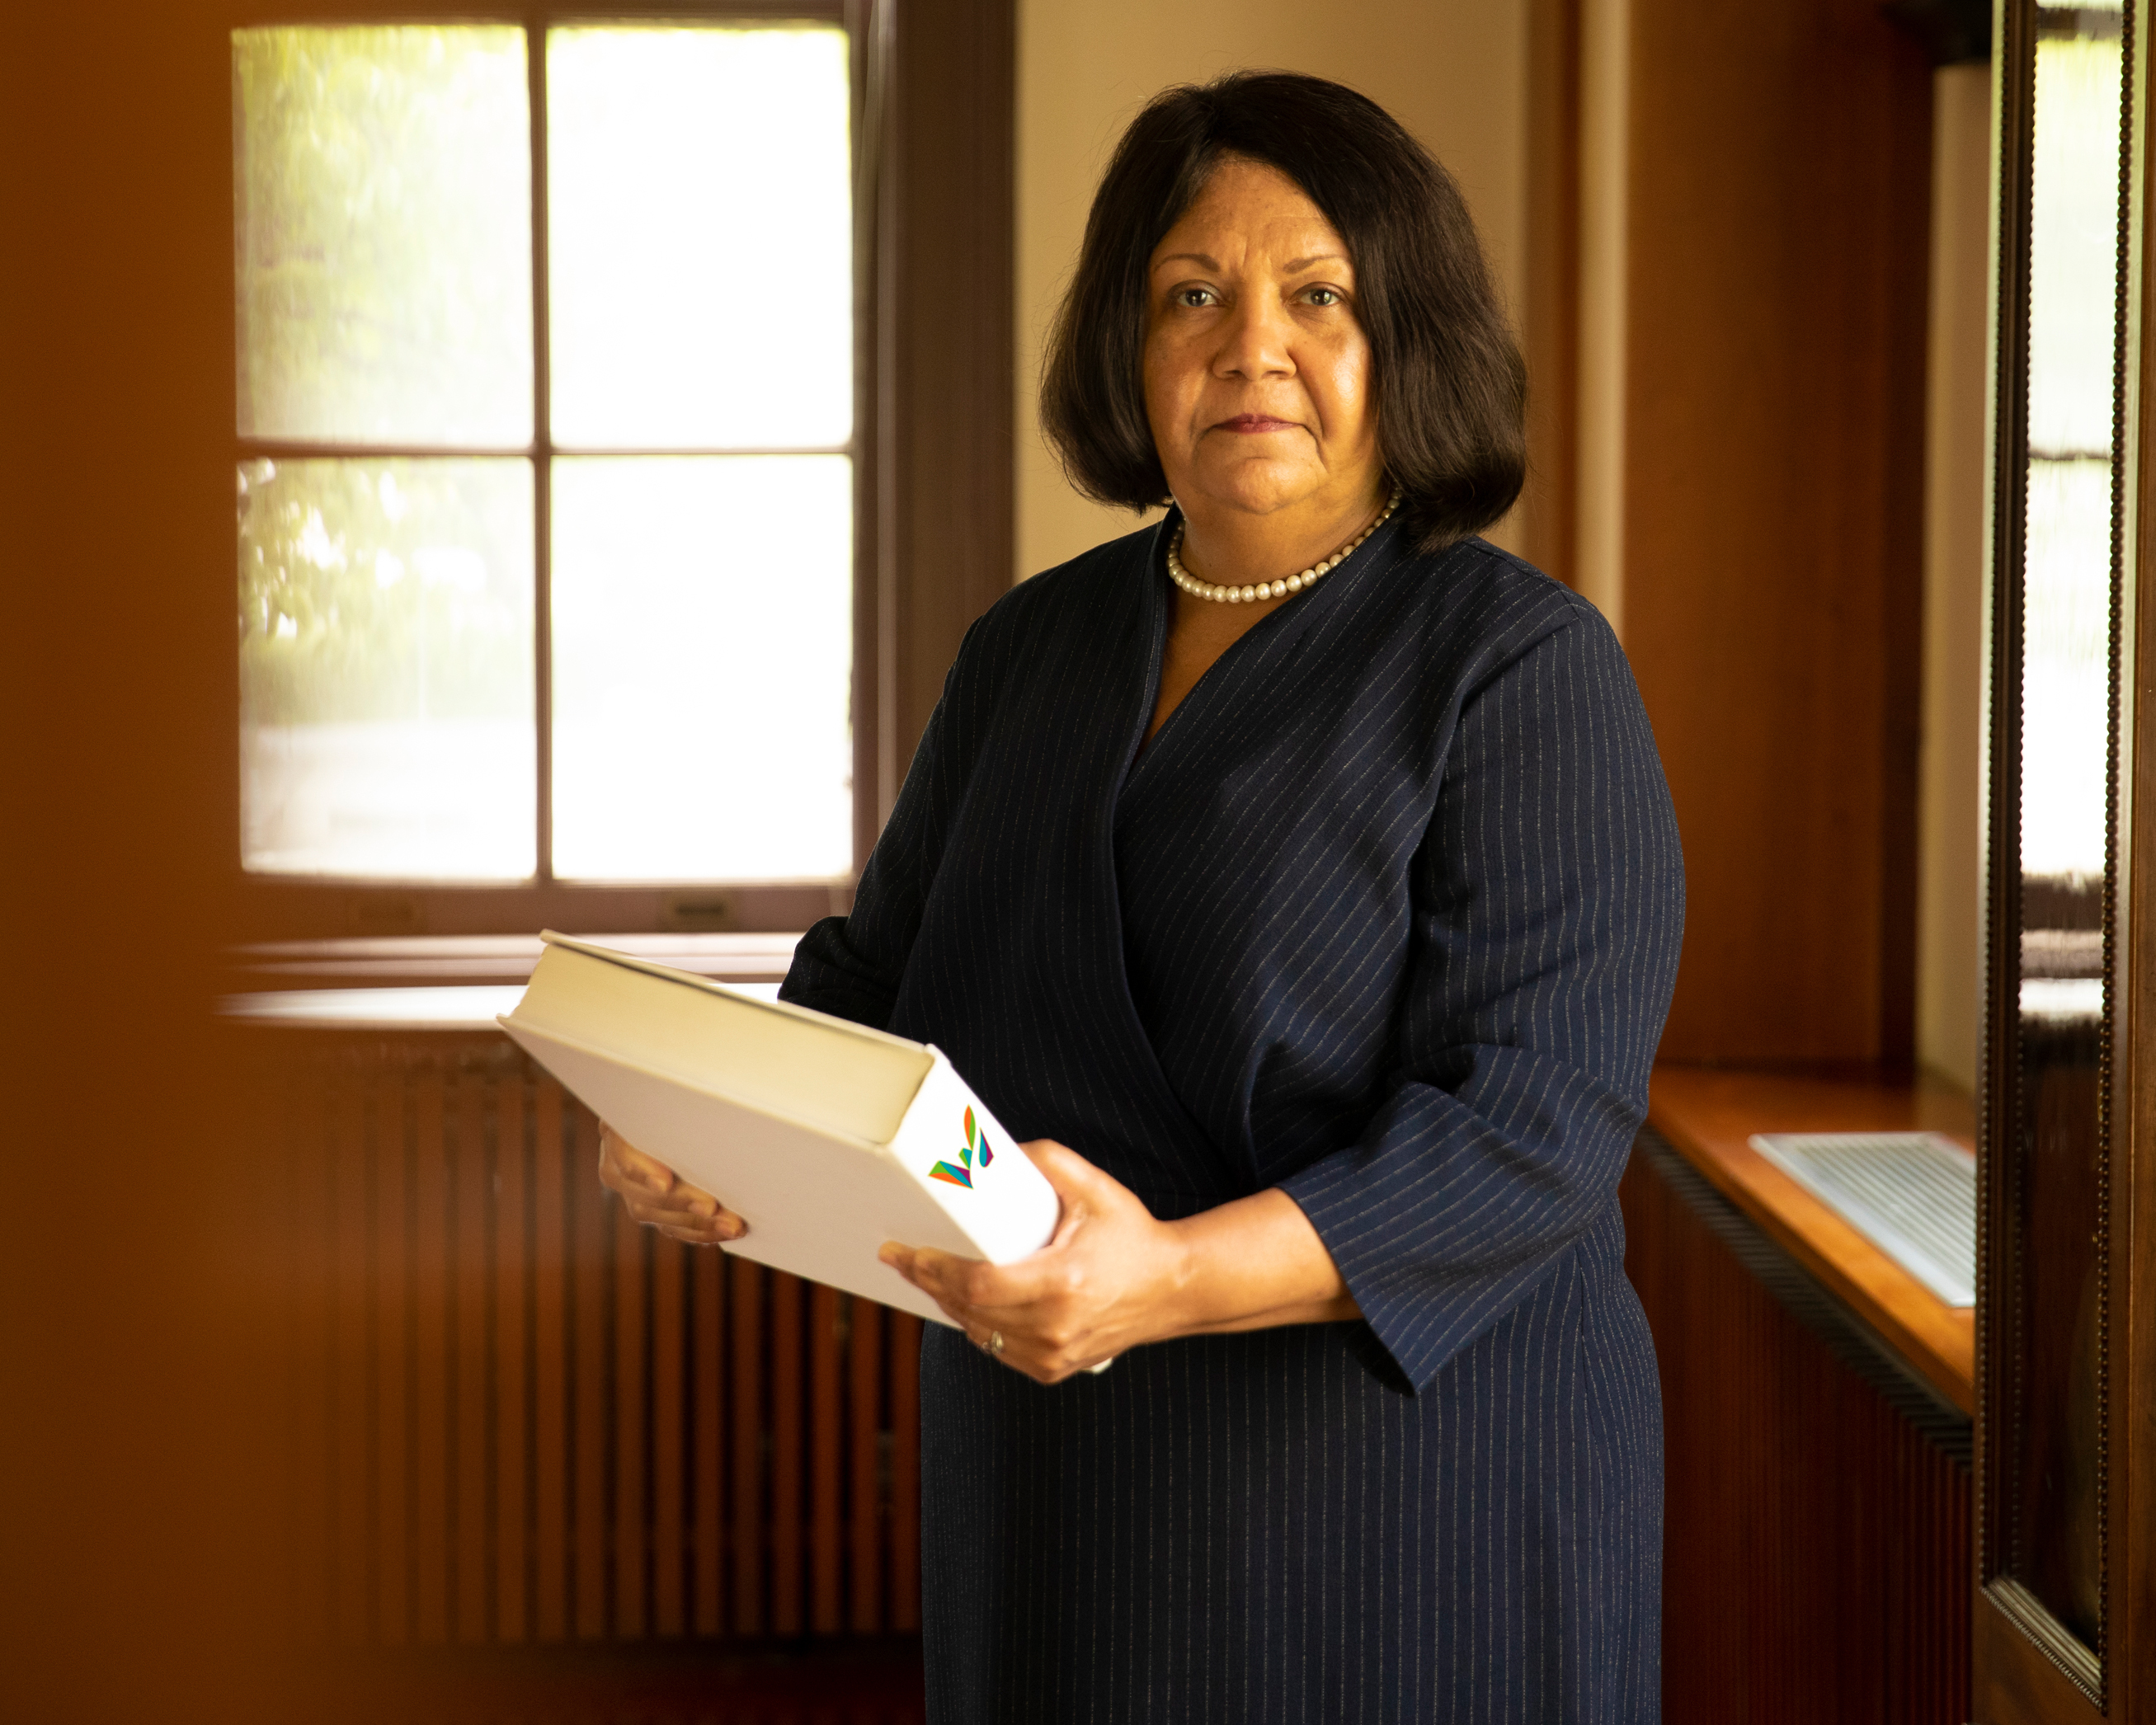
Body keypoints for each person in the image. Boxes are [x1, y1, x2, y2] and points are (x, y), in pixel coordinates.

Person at [600, 71, 1682, 1722]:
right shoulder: (1028, 648)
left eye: (1317, 294)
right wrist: (712, 1123)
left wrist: (1167, 1272)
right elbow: (873, 976)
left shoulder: (1520, 666)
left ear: (1410, 336)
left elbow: (1526, 1127)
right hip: (1060, 1477)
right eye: (1194, 295)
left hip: (1401, 1493)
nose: (1251, 346)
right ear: (1131, 346)